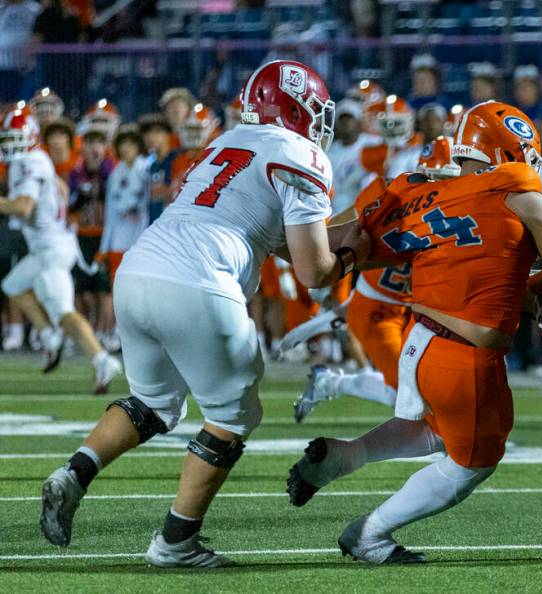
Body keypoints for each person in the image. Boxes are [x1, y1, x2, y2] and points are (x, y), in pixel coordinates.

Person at [38, 60, 364, 568]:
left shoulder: (223, 143)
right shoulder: (299, 152)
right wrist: (361, 253)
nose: (319, 123)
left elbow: (275, 238)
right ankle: (175, 543)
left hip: (140, 272)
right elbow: (314, 270)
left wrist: (362, 227)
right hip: (198, 280)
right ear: (296, 108)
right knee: (235, 415)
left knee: (153, 402)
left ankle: (75, 471)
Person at [286, 101, 542, 564]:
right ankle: (370, 535)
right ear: (510, 154)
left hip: (420, 338)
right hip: (465, 351)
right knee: (476, 460)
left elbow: (322, 247)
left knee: (438, 429)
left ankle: (345, 455)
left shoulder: (413, 191)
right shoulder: (514, 188)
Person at [290, 136, 461, 422]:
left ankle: (330, 382)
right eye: (441, 179)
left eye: (453, 179)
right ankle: (331, 383)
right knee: (412, 398)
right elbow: (336, 232)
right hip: (378, 311)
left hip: (416, 313)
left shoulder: (460, 209)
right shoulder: (388, 194)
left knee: (432, 391)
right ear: (425, 173)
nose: (449, 188)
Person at [0, 105, 122, 390]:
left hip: (52, 250)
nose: (9, 144)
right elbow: (60, 191)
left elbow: (23, 206)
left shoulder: (28, 162)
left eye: (14, 137)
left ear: (29, 136)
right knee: (13, 285)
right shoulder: (37, 158)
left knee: (65, 313)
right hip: (49, 246)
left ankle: (103, 360)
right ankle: (49, 336)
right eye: (6, 139)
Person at [97, 124, 149, 351]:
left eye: (131, 144)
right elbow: (110, 212)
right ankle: (118, 332)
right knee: (118, 291)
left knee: (139, 290)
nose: (127, 148)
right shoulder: (115, 174)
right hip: (118, 242)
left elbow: (147, 207)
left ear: (138, 147)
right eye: (122, 144)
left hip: (140, 240)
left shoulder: (146, 170)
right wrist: (104, 246)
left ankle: (137, 334)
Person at [67, 124, 114, 342]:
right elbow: (71, 206)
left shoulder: (111, 171)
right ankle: (90, 327)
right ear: (82, 147)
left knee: (103, 288)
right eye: (89, 143)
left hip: (105, 236)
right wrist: (82, 197)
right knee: (83, 289)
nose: (93, 148)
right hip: (83, 235)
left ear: (105, 147)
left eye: (98, 143)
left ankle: (104, 330)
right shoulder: (76, 173)